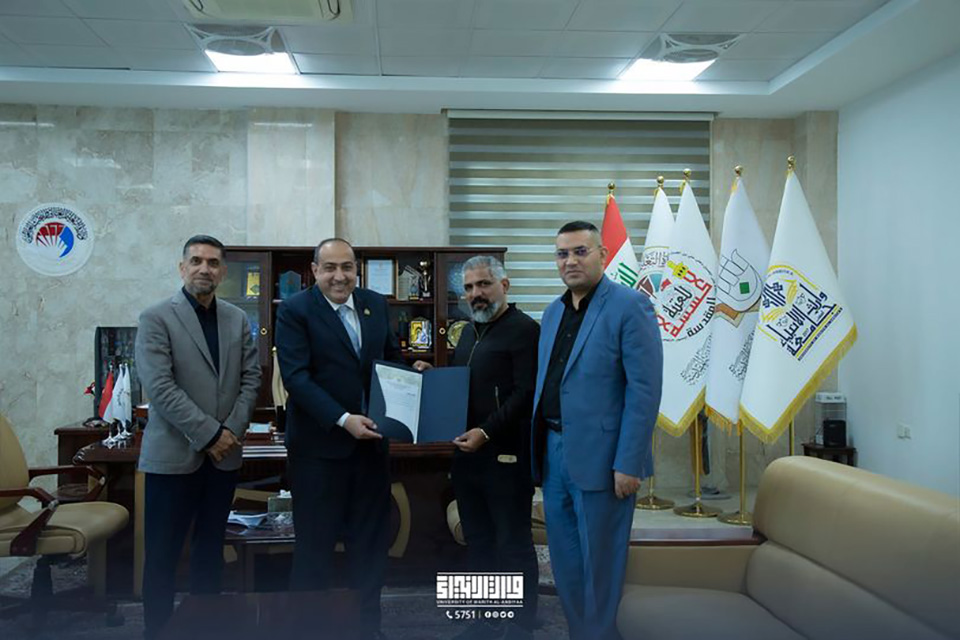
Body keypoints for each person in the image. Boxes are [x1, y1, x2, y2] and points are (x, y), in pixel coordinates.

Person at [531, 221, 663, 640]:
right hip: (554, 452)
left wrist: (629, 462)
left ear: (602, 255)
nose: (570, 261)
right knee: (566, 562)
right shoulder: (552, 313)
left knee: (601, 565)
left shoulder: (630, 306)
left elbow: (644, 391)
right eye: (562, 254)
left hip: (606, 459)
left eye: (580, 251)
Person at [275, 238, 402, 640]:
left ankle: (368, 629)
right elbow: (297, 378)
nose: (339, 276)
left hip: (371, 450)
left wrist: (411, 376)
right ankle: (310, 631)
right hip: (319, 453)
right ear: (314, 271)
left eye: (347, 267)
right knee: (314, 550)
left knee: (371, 547)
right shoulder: (295, 310)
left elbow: (390, 360)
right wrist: (344, 420)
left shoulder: (374, 304)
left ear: (356, 270)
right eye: (329, 268)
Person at [136, 235, 261, 640]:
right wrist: (211, 435)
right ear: (182, 268)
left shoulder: (236, 319)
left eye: (213, 262)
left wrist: (231, 433)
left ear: (223, 272)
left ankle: (205, 628)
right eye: (196, 261)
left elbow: (251, 379)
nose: (204, 268)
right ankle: (157, 631)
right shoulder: (156, 318)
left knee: (211, 552)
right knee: (162, 556)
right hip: (174, 457)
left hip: (222, 460)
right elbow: (160, 388)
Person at [414, 256, 540, 640]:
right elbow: (466, 386)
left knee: (512, 544)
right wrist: (433, 378)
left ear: (505, 285)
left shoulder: (525, 330)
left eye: (483, 284)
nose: (475, 294)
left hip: (506, 458)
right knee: (479, 542)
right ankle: (482, 620)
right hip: (467, 458)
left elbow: (525, 394)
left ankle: (520, 626)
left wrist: (486, 431)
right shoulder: (469, 331)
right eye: (469, 287)